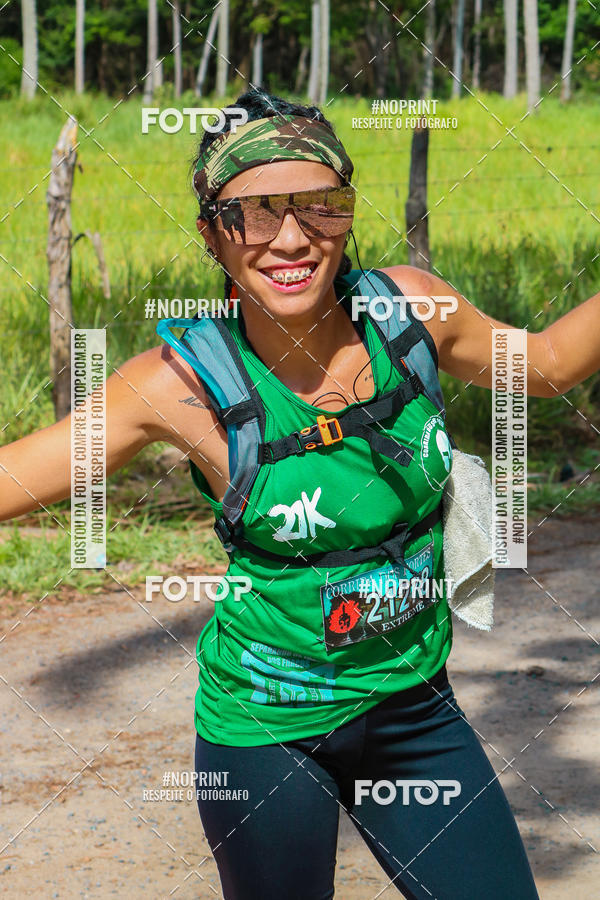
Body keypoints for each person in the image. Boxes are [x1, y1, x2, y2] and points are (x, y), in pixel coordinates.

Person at [1, 88, 599, 900]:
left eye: (321, 207)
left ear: (348, 216)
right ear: (214, 234)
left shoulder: (411, 314)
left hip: (415, 713)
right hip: (265, 733)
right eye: (254, 213)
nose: (292, 239)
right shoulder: (177, 386)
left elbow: (549, 364)